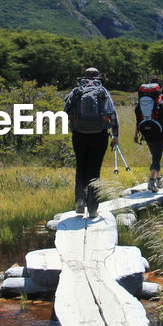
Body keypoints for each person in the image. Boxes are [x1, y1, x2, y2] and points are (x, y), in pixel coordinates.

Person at [64, 67, 118, 218]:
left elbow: (65, 111)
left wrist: (72, 127)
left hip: (79, 135)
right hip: (99, 135)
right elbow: (112, 114)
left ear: (84, 77)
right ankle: (93, 209)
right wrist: (115, 135)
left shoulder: (76, 91)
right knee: (94, 171)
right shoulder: (103, 92)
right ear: (98, 77)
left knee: (81, 166)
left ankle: (80, 201)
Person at [133, 76, 163, 193]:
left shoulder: (142, 100)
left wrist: (136, 134)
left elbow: (138, 119)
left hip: (145, 130)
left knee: (155, 155)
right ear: (161, 87)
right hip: (160, 131)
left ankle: (159, 179)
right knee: (157, 156)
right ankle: (152, 181)